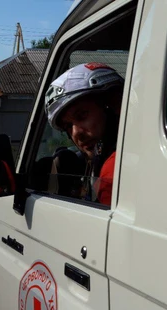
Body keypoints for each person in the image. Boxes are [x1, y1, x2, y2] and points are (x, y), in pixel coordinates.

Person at [44, 62, 124, 205]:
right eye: (68, 126)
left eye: (82, 116)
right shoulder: (98, 164)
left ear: (113, 106)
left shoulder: (112, 176)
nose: (76, 133)